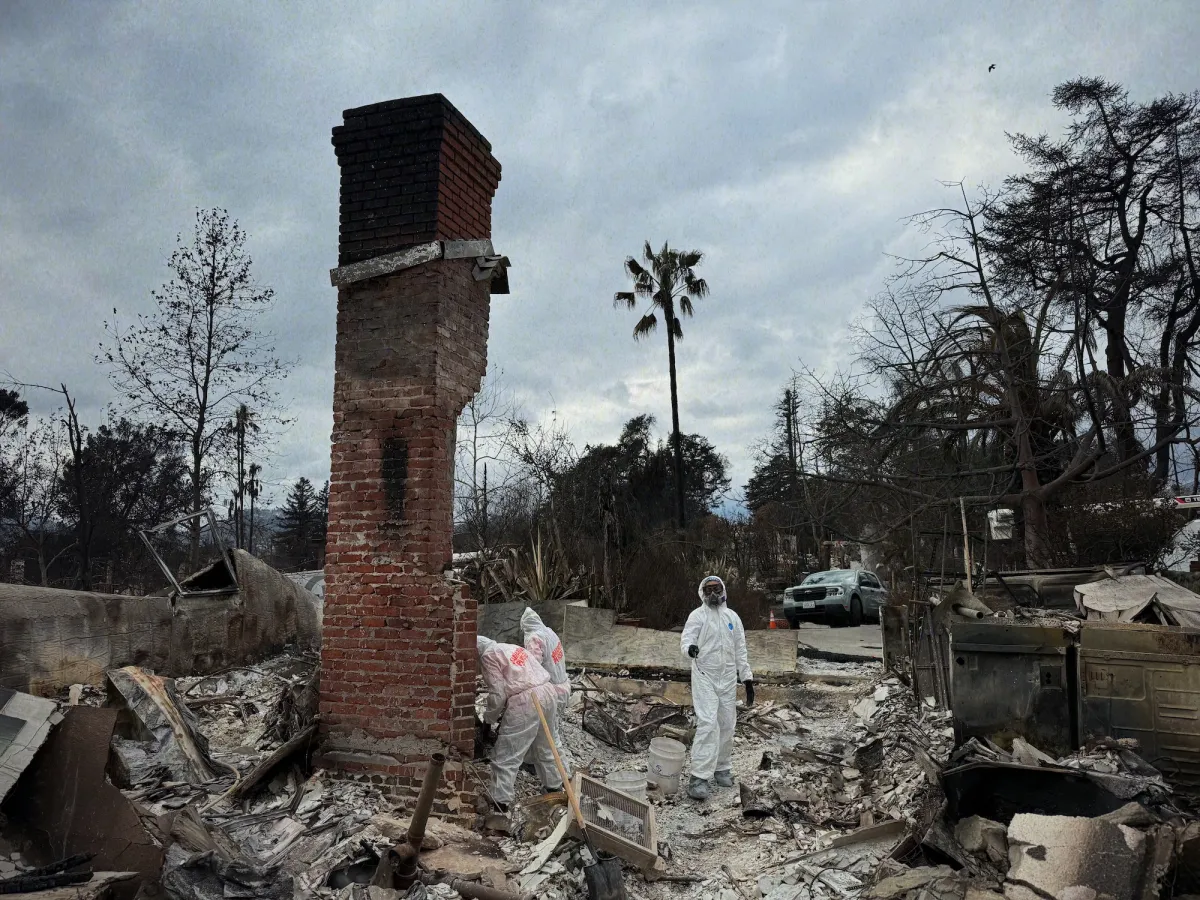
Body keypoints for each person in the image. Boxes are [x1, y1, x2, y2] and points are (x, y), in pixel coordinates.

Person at [680, 574, 754, 800]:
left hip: (728, 678)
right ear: (703, 593)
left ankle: (722, 767)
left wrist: (747, 677)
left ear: (723, 590)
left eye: (717, 589)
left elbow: (740, 649)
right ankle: (699, 777)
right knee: (708, 723)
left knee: (727, 723)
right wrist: (690, 649)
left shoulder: (732, 617)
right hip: (705, 676)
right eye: (709, 590)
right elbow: (686, 639)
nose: (713, 594)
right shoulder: (698, 616)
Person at [477, 635, 565, 810]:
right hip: (547, 691)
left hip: (526, 699)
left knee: (507, 754)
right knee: (546, 746)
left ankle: (500, 803)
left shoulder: (488, 655)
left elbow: (498, 694)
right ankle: (554, 791)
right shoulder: (510, 647)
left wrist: (488, 721)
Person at [520, 607, 572, 773]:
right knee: (540, 728)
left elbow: (533, 668)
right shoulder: (549, 632)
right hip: (563, 686)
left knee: (549, 735)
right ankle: (531, 761)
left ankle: (561, 773)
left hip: (551, 692)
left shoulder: (533, 638)